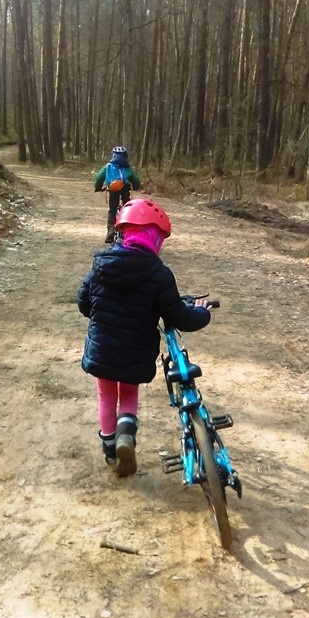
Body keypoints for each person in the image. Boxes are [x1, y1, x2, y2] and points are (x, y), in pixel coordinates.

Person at [77, 198, 213, 476]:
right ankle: (127, 434)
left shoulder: (101, 266)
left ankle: (110, 449)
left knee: (106, 395)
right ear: (155, 237)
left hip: (102, 348)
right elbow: (178, 316)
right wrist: (202, 313)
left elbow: (83, 303)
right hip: (135, 352)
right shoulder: (159, 274)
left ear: (123, 232)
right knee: (128, 391)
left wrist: (103, 314)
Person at [93, 146, 141, 243]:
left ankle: (110, 230)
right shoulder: (127, 168)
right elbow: (135, 180)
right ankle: (127, 229)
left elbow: (99, 178)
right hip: (125, 188)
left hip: (112, 189)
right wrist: (136, 187)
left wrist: (98, 187)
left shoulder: (108, 166)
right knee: (127, 208)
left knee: (112, 209)